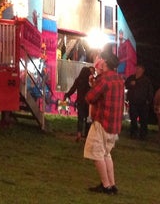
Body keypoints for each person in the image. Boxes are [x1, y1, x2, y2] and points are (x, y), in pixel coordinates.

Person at [83, 50, 124, 195]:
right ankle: (112, 184)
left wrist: (92, 84)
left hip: (102, 121)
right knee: (106, 154)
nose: (98, 61)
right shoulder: (119, 79)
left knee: (96, 153)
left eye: (101, 59)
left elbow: (90, 97)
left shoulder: (104, 79)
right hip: (114, 125)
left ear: (105, 63)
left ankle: (106, 186)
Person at [124, 62, 154, 139]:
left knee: (143, 119)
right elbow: (126, 85)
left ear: (143, 70)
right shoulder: (131, 78)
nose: (137, 70)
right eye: (136, 68)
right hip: (133, 102)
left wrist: (148, 100)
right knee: (133, 118)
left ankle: (143, 134)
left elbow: (150, 91)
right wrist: (131, 84)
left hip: (143, 103)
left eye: (139, 68)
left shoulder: (146, 80)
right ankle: (133, 133)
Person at [65, 65, 95, 141]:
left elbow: (73, 88)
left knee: (80, 118)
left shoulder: (78, 80)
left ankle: (79, 133)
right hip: (88, 102)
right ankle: (86, 135)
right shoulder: (89, 81)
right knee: (88, 119)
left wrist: (67, 94)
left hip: (80, 101)